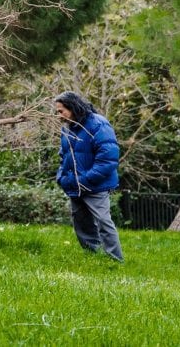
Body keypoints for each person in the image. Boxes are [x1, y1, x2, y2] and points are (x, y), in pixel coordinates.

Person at [54, 91, 124, 262]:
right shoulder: (67, 129)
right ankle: (93, 256)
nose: (58, 116)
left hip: (96, 186)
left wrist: (85, 180)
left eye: (61, 111)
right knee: (82, 224)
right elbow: (64, 156)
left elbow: (108, 159)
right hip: (74, 185)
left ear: (73, 107)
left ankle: (115, 260)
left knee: (103, 222)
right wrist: (62, 178)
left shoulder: (99, 125)